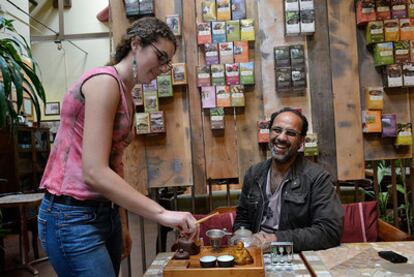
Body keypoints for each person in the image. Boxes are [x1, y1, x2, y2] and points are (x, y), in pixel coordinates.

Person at [37, 17, 198, 277]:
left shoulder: (125, 93)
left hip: (103, 213)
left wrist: (121, 222)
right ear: (136, 44)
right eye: (160, 56)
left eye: (167, 62)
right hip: (72, 216)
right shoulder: (104, 82)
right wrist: (161, 213)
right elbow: (94, 171)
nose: (162, 67)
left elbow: (114, 163)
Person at [233, 107, 343, 252]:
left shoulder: (317, 178)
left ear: (301, 141)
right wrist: (241, 238)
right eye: (277, 130)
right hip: (256, 254)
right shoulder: (254, 174)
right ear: (270, 133)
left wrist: (277, 240)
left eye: (291, 133)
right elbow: (243, 219)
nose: (281, 137)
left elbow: (330, 231)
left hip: (294, 256)